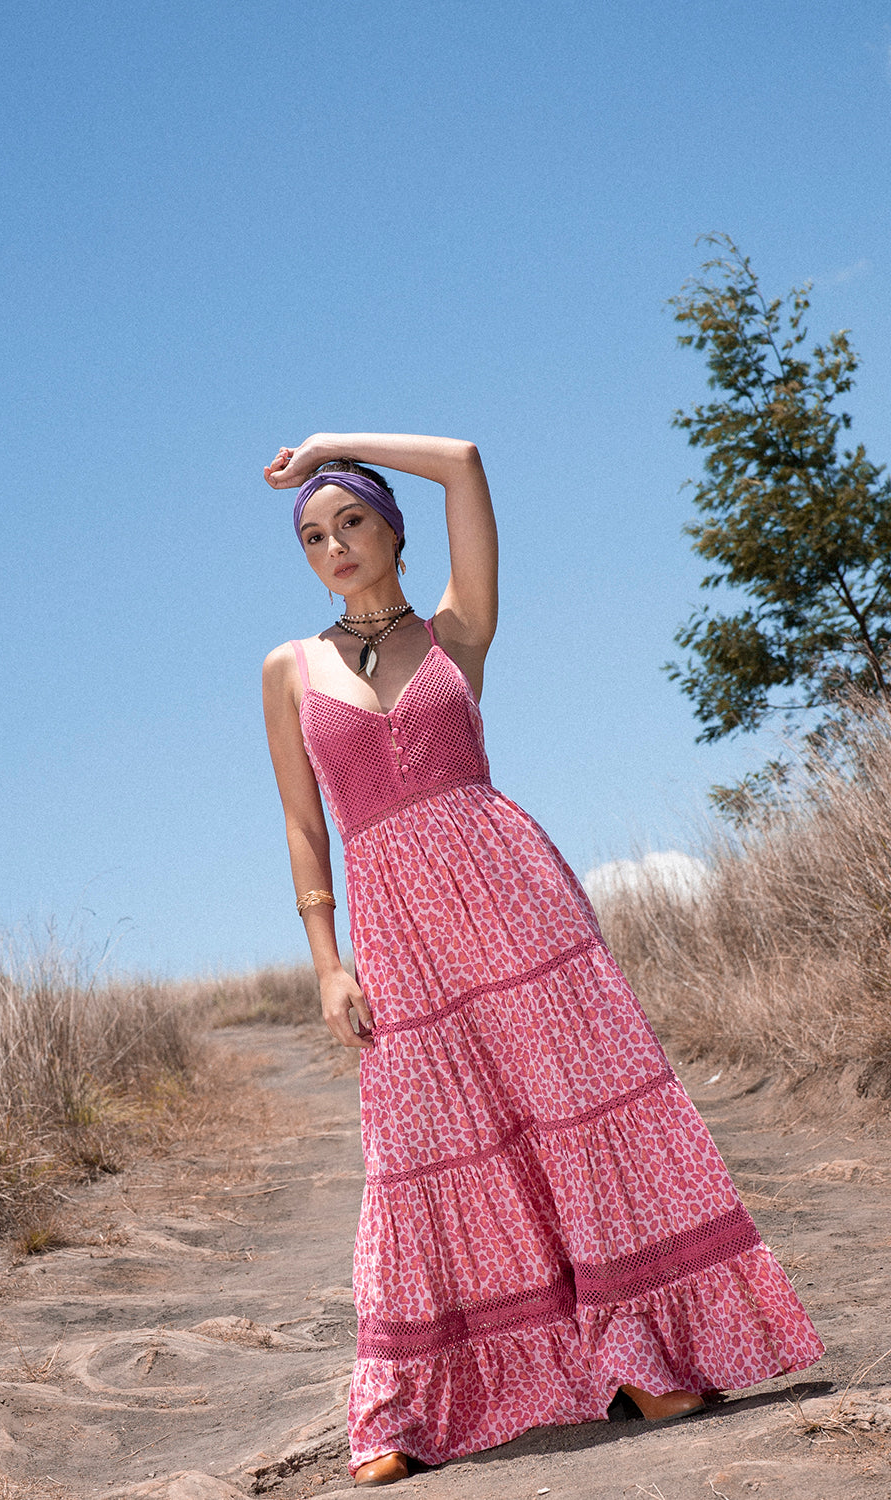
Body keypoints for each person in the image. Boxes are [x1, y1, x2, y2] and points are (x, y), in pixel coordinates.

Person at [261, 433, 824, 1487]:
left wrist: (334, 446)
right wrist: (326, 962)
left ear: (390, 529)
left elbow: (465, 461)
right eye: (311, 536)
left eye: (349, 522)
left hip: (513, 900)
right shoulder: (286, 671)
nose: (332, 546)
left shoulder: (454, 631)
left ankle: (645, 1358)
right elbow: (304, 828)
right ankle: (406, 1404)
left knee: (575, 1121)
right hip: (395, 925)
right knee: (425, 1150)